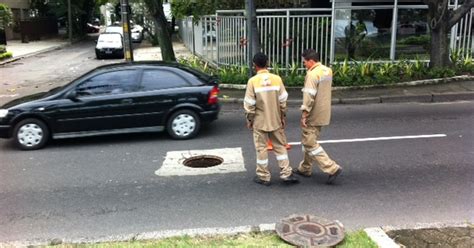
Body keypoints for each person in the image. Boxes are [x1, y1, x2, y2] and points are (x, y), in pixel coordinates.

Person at [244, 52, 299, 186]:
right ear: (267, 63)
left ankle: (263, 176)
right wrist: (282, 116)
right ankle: (286, 173)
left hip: (260, 121)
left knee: (261, 148)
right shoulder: (277, 79)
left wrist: (250, 120)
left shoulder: (253, 81)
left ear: (254, 65)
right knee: (280, 146)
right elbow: (283, 101)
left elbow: (249, 105)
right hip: (275, 120)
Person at [293, 49, 342, 184]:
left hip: (313, 113)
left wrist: (304, 113)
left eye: (304, 62)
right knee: (310, 140)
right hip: (324, 112)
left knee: (309, 142)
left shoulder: (312, 74)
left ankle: (331, 168)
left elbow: (309, 96)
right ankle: (305, 168)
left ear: (311, 61)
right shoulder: (327, 70)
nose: (304, 65)